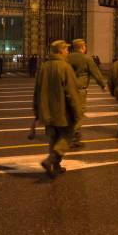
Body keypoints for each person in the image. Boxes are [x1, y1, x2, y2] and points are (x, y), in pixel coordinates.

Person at [33, 40, 81, 178]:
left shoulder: (43, 67)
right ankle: (51, 160)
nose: (68, 52)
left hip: (47, 111)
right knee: (67, 136)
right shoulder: (65, 67)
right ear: (61, 51)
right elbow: (71, 92)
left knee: (53, 137)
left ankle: (56, 166)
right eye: (66, 49)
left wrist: (37, 111)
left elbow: (37, 90)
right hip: (62, 112)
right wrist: (77, 112)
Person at [66, 39, 106, 147]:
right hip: (80, 91)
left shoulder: (67, 58)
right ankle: (73, 138)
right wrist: (103, 85)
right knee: (78, 114)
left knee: (69, 114)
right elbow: (96, 73)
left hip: (67, 90)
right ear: (83, 47)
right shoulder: (86, 59)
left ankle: (69, 135)